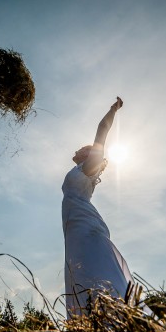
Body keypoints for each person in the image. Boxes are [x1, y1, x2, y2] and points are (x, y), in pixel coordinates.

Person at [62, 96, 139, 317]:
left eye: (81, 148)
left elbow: (102, 129)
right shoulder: (81, 172)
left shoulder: (88, 168)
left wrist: (113, 110)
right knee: (80, 278)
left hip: (87, 231)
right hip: (78, 230)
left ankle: (117, 320)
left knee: (96, 275)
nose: (75, 150)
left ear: (90, 154)